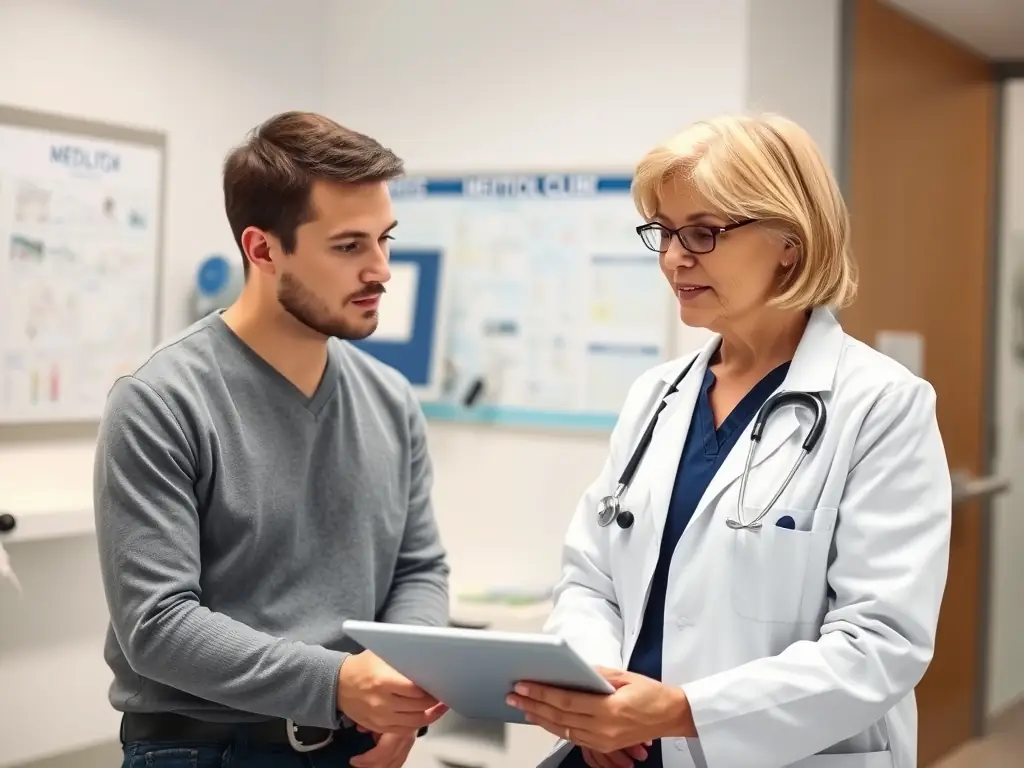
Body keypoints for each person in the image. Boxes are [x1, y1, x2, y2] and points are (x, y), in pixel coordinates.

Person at [507, 114, 952, 768]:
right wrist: (595, 693)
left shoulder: (882, 405)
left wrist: (687, 710)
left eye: (703, 233)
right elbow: (589, 578)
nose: (674, 256)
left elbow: (880, 645)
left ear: (789, 243)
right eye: (663, 231)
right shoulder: (655, 398)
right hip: (622, 750)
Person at [93, 111, 451, 768]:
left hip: (357, 744)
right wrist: (339, 684)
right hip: (205, 750)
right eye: (349, 247)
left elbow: (419, 568)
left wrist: (403, 687)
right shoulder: (160, 401)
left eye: (385, 240)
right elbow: (158, 625)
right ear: (262, 250)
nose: (381, 271)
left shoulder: (392, 401)